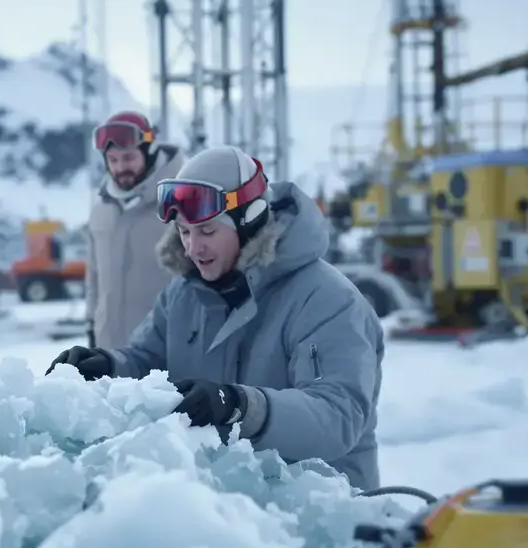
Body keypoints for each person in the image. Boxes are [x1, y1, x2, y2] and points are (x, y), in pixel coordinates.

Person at [48, 145, 384, 490]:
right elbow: (148, 360)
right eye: (184, 232)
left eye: (207, 231)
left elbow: (337, 417)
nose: (193, 248)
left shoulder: (326, 299)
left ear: (250, 221)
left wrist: (242, 406)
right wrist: (109, 367)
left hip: (324, 506)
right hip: (231, 504)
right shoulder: (184, 293)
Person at [85, 111, 185, 349]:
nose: (120, 167)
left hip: (165, 350)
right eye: (113, 160)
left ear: (149, 152)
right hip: (109, 349)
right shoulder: (102, 210)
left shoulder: (180, 203)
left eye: (129, 158)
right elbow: (94, 276)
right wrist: (91, 325)